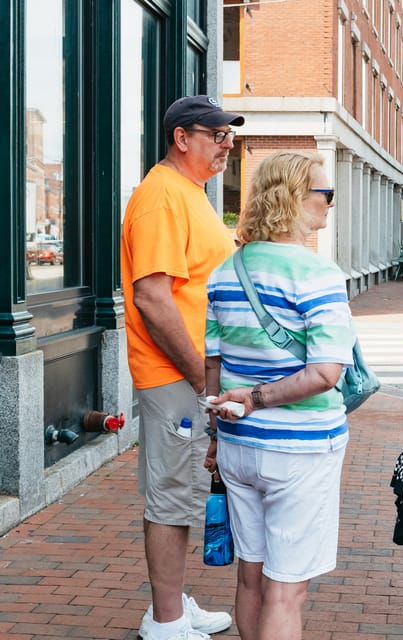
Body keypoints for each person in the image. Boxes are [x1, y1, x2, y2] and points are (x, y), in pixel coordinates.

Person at [202, 151, 354, 640]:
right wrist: (259, 399)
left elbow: (213, 365)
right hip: (300, 449)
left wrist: (216, 434)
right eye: (324, 194)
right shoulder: (317, 274)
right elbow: (326, 373)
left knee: (250, 578)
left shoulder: (225, 272)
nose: (330, 204)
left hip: (237, 446)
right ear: (293, 198)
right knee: (287, 591)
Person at [120, 94, 242, 640]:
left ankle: (172, 603)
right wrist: (199, 376)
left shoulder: (190, 195)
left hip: (189, 374)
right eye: (217, 135)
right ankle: (165, 621)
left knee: (186, 492)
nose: (227, 144)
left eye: (229, 135)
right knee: (171, 495)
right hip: (174, 376)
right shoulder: (162, 197)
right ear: (182, 137)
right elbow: (152, 297)